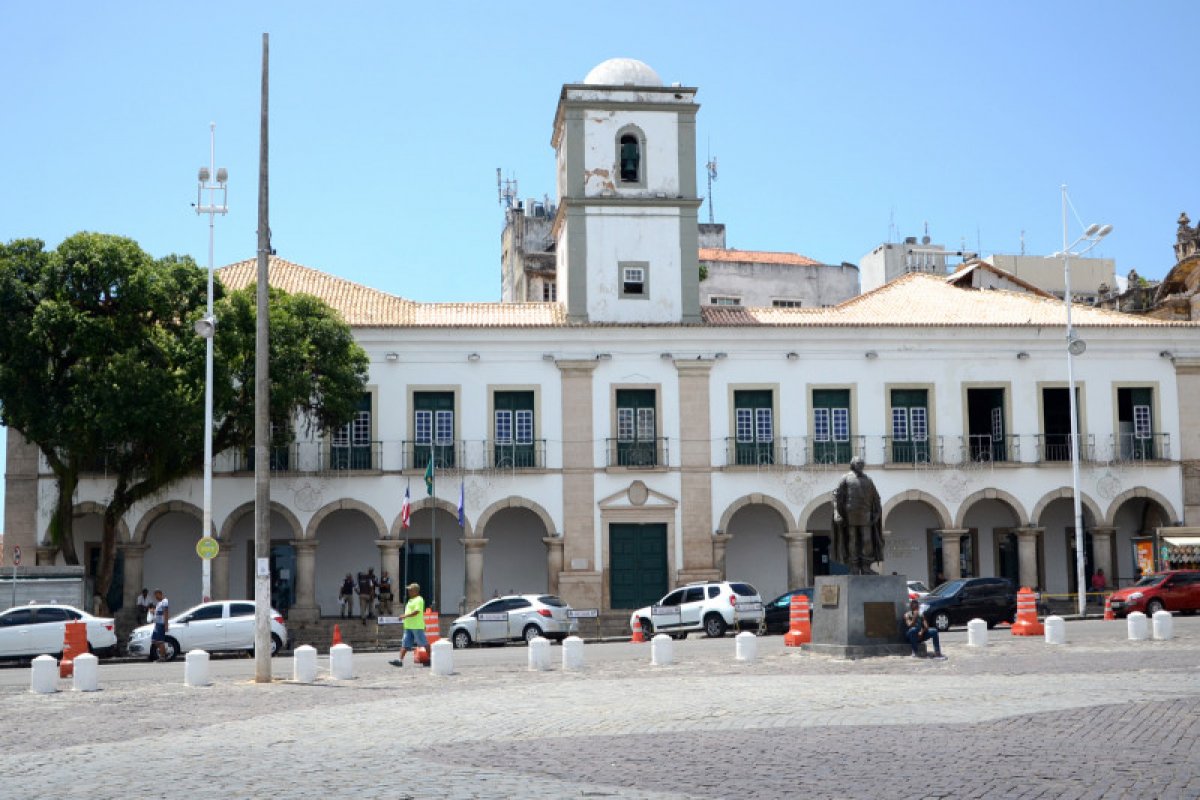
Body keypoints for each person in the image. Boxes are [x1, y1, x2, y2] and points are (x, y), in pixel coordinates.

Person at [831, 456, 885, 575]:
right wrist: (837, 513)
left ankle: (866, 566)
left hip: (866, 514)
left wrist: (877, 513)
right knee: (852, 540)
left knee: (867, 540)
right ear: (853, 464)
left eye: (862, 464)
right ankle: (854, 566)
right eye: (858, 464)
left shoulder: (868, 480)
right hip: (850, 514)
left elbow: (876, 497)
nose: (860, 466)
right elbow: (836, 495)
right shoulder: (845, 478)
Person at [389, 583, 428, 668]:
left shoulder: (419, 599)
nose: (409, 591)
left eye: (410, 590)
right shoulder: (410, 600)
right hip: (408, 626)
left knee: (423, 644)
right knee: (405, 644)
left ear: (415, 591)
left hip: (417, 626)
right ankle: (400, 661)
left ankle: (431, 659)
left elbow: (417, 612)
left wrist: (405, 616)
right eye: (409, 590)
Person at [150, 588, 170, 662]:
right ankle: (164, 652)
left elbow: (166, 613)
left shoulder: (165, 601)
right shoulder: (159, 603)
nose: (155, 597)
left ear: (160, 594)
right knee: (154, 640)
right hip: (157, 624)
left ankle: (162, 657)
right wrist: (153, 611)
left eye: (156, 595)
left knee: (160, 641)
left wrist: (166, 624)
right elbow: (158, 612)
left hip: (161, 624)